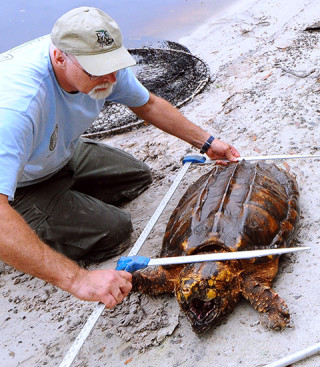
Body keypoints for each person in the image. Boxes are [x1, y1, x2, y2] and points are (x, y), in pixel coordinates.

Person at [0, 7, 240, 309]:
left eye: (114, 65)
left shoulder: (96, 59)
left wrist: (206, 142)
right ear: (60, 58)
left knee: (137, 176)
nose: (112, 78)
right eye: (98, 71)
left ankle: (58, 201)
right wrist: (79, 280)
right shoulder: (15, 109)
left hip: (54, 150)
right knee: (114, 231)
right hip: (18, 186)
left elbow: (148, 104)